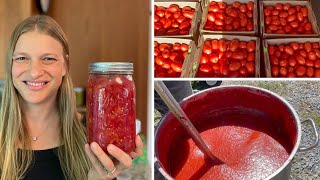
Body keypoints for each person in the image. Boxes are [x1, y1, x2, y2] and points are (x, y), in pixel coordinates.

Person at [0, 15, 143, 180]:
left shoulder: (93, 138)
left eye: (48, 59)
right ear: (10, 65)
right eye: (22, 58)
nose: (34, 72)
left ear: (64, 66)